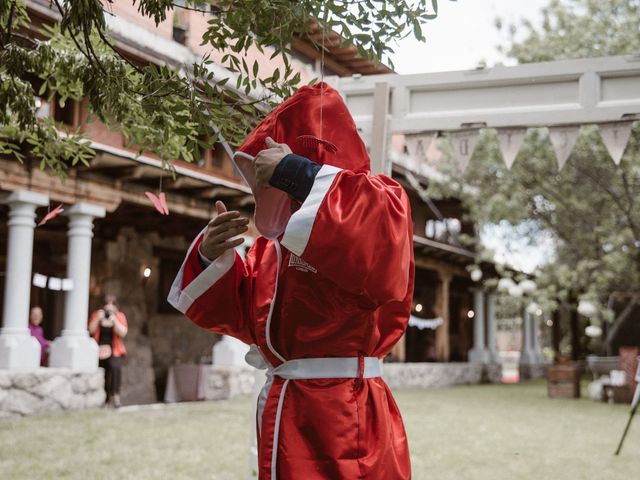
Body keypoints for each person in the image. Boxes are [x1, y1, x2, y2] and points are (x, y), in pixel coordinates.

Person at [169, 83, 414, 479]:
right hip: (287, 407)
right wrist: (211, 255)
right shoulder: (272, 247)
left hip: (345, 411)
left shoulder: (380, 201)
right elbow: (251, 317)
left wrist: (294, 172)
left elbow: (376, 248)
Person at [89, 294, 128, 408]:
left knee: (115, 368)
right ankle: (105, 399)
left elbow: (123, 332)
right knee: (104, 374)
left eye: (112, 304)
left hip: (114, 350)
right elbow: (91, 330)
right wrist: (98, 319)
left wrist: (114, 320)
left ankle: (115, 396)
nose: (109, 307)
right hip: (98, 349)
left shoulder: (120, 316)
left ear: (116, 306)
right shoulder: (97, 315)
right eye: (107, 304)